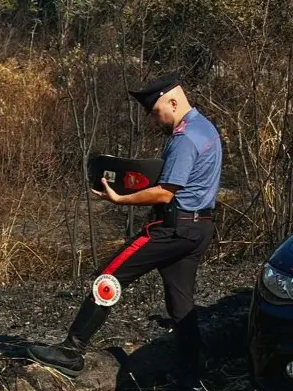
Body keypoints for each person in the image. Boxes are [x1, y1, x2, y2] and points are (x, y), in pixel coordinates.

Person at [26, 72, 222, 389]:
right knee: (181, 302)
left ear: (173, 102)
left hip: (172, 228)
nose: (154, 120)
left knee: (108, 277)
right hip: (200, 228)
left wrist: (120, 198)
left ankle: (71, 352)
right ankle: (193, 369)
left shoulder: (184, 139)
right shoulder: (206, 127)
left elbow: (165, 192)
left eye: (156, 112)